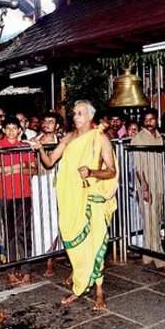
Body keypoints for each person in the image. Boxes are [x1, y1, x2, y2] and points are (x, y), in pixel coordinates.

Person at [30, 100, 118, 310]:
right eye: (74, 113)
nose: (75, 117)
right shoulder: (69, 138)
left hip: (92, 197)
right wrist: (40, 148)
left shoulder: (100, 138)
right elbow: (50, 161)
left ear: (89, 116)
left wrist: (92, 172)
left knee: (95, 245)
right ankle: (79, 287)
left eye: (79, 113)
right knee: (76, 244)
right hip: (71, 198)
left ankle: (99, 291)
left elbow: (112, 171)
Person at [0, 116, 37, 286]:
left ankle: (26, 270)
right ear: (4, 130)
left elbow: (34, 169)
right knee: (9, 234)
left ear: (20, 130)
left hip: (24, 194)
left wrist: (11, 169)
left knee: (24, 233)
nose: (11, 131)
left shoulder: (25, 146)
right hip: (5, 196)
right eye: (8, 128)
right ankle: (10, 271)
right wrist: (20, 167)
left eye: (14, 128)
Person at [131, 108, 165, 270]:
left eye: (152, 119)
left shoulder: (160, 137)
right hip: (146, 186)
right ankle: (160, 260)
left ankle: (147, 256)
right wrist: (145, 188)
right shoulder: (138, 138)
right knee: (152, 222)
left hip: (159, 184)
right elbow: (137, 167)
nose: (149, 122)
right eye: (146, 119)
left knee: (155, 220)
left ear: (156, 120)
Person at [30, 112, 62, 276]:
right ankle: (42, 254)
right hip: (37, 182)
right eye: (45, 121)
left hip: (53, 183)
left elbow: (51, 163)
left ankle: (50, 260)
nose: (47, 124)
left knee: (53, 221)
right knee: (39, 219)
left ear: (57, 126)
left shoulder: (60, 141)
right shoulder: (35, 139)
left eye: (51, 121)